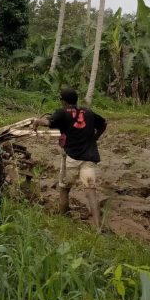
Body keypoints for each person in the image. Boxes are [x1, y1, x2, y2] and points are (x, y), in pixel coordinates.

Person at [32, 88, 108, 230]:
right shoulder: (89, 112)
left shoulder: (62, 112)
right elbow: (104, 124)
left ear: (63, 101)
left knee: (64, 189)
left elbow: (48, 122)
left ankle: (63, 218)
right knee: (91, 190)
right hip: (90, 158)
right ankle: (98, 227)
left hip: (72, 158)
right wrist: (95, 138)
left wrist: (36, 121)